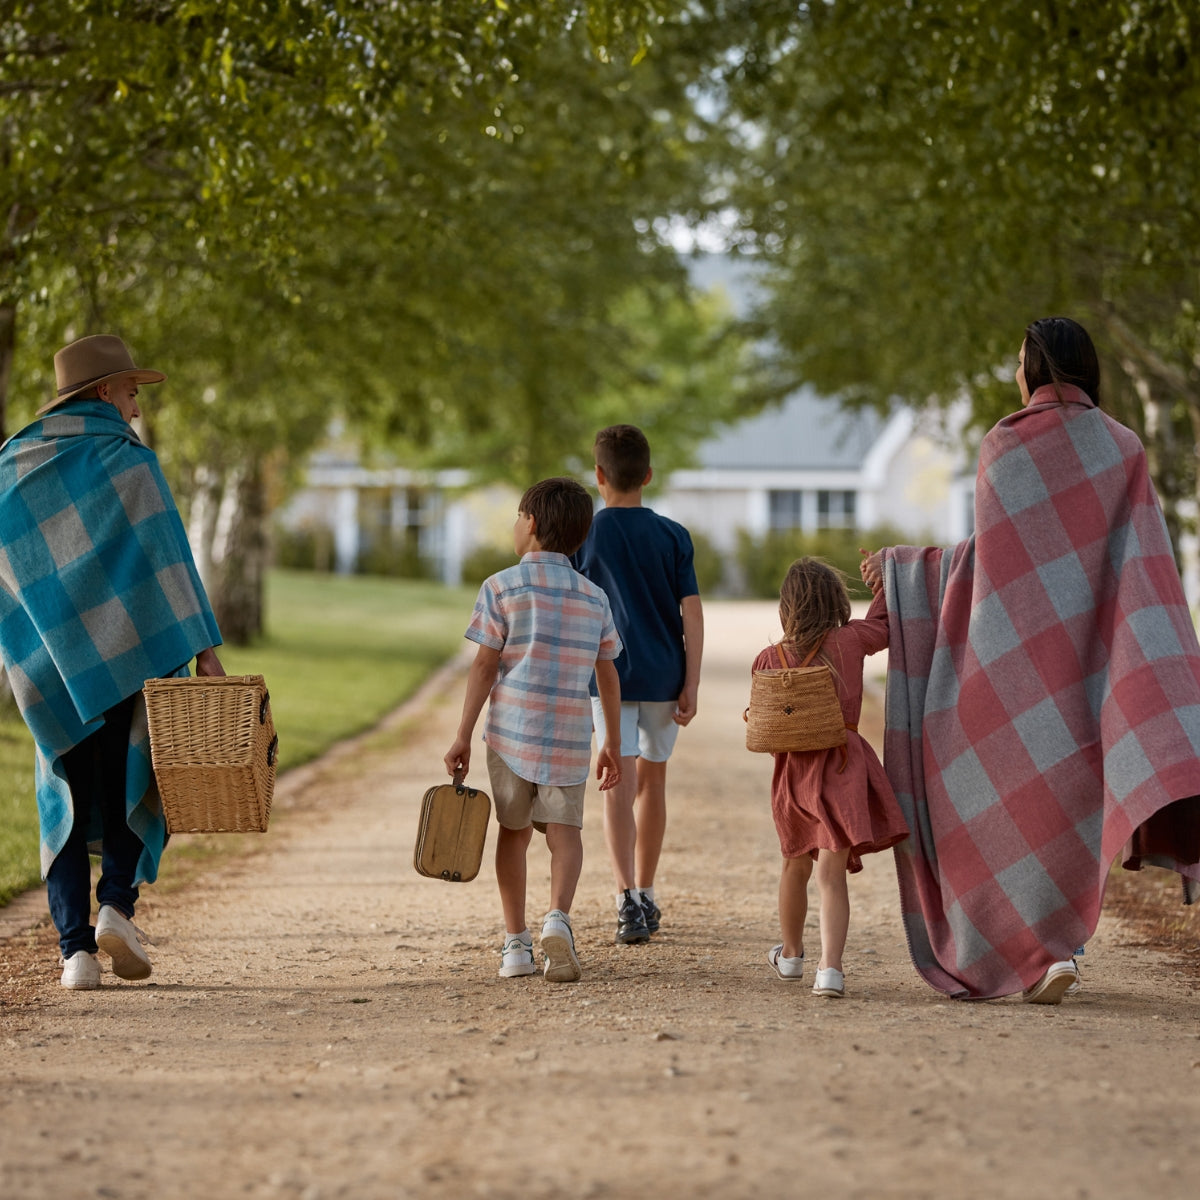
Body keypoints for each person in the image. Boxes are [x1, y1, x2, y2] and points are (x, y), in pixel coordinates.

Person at [862, 316, 1200, 1004]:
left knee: (996, 803)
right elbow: (1139, 561)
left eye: (1020, 362)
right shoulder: (1124, 447)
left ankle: (1040, 951)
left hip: (1010, 672)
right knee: (1068, 807)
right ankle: (1058, 950)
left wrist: (905, 573)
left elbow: (987, 568)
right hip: (1091, 673)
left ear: (1038, 368)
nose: (1017, 374)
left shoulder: (1005, 444)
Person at [0, 334, 225, 990]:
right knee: (134, 772)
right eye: (130, 391)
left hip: (50, 669)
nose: (134, 406)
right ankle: (117, 908)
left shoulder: (14, 464)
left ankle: (75, 955)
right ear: (103, 391)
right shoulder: (130, 463)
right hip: (132, 656)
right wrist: (205, 649)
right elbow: (169, 559)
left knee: (64, 790)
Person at [444, 477, 623, 983]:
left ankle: (516, 944)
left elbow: (483, 667)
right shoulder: (594, 597)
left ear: (533, 524)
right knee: (566, 834)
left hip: (511, 735)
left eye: (518, 517)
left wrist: (462, 734)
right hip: (569, 736)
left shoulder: (500, 587)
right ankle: (558, 919)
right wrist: (610, 739)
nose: (515, 525)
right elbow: (607, 671)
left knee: (514, 834)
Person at [571, 425, 703, 944]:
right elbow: (690, 612)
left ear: (599, 476)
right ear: (648, 475)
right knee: (653, 783)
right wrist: (692, 679)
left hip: (608, 678)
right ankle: (647, 891)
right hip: (666, 674)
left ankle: (625, 896)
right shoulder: (674, 535)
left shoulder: (587, 535)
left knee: (615, 784)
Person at [754, 558, 909, 998]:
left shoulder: (769, 659)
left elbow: (766, 731)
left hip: (795, 776)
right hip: (843, 768)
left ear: (787, 607)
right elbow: (884, 624)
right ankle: (831, 970)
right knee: (831, 873)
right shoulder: (850, 641)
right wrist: (885, 581)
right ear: (837, 601)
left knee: (794, 865)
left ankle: (790, 955)